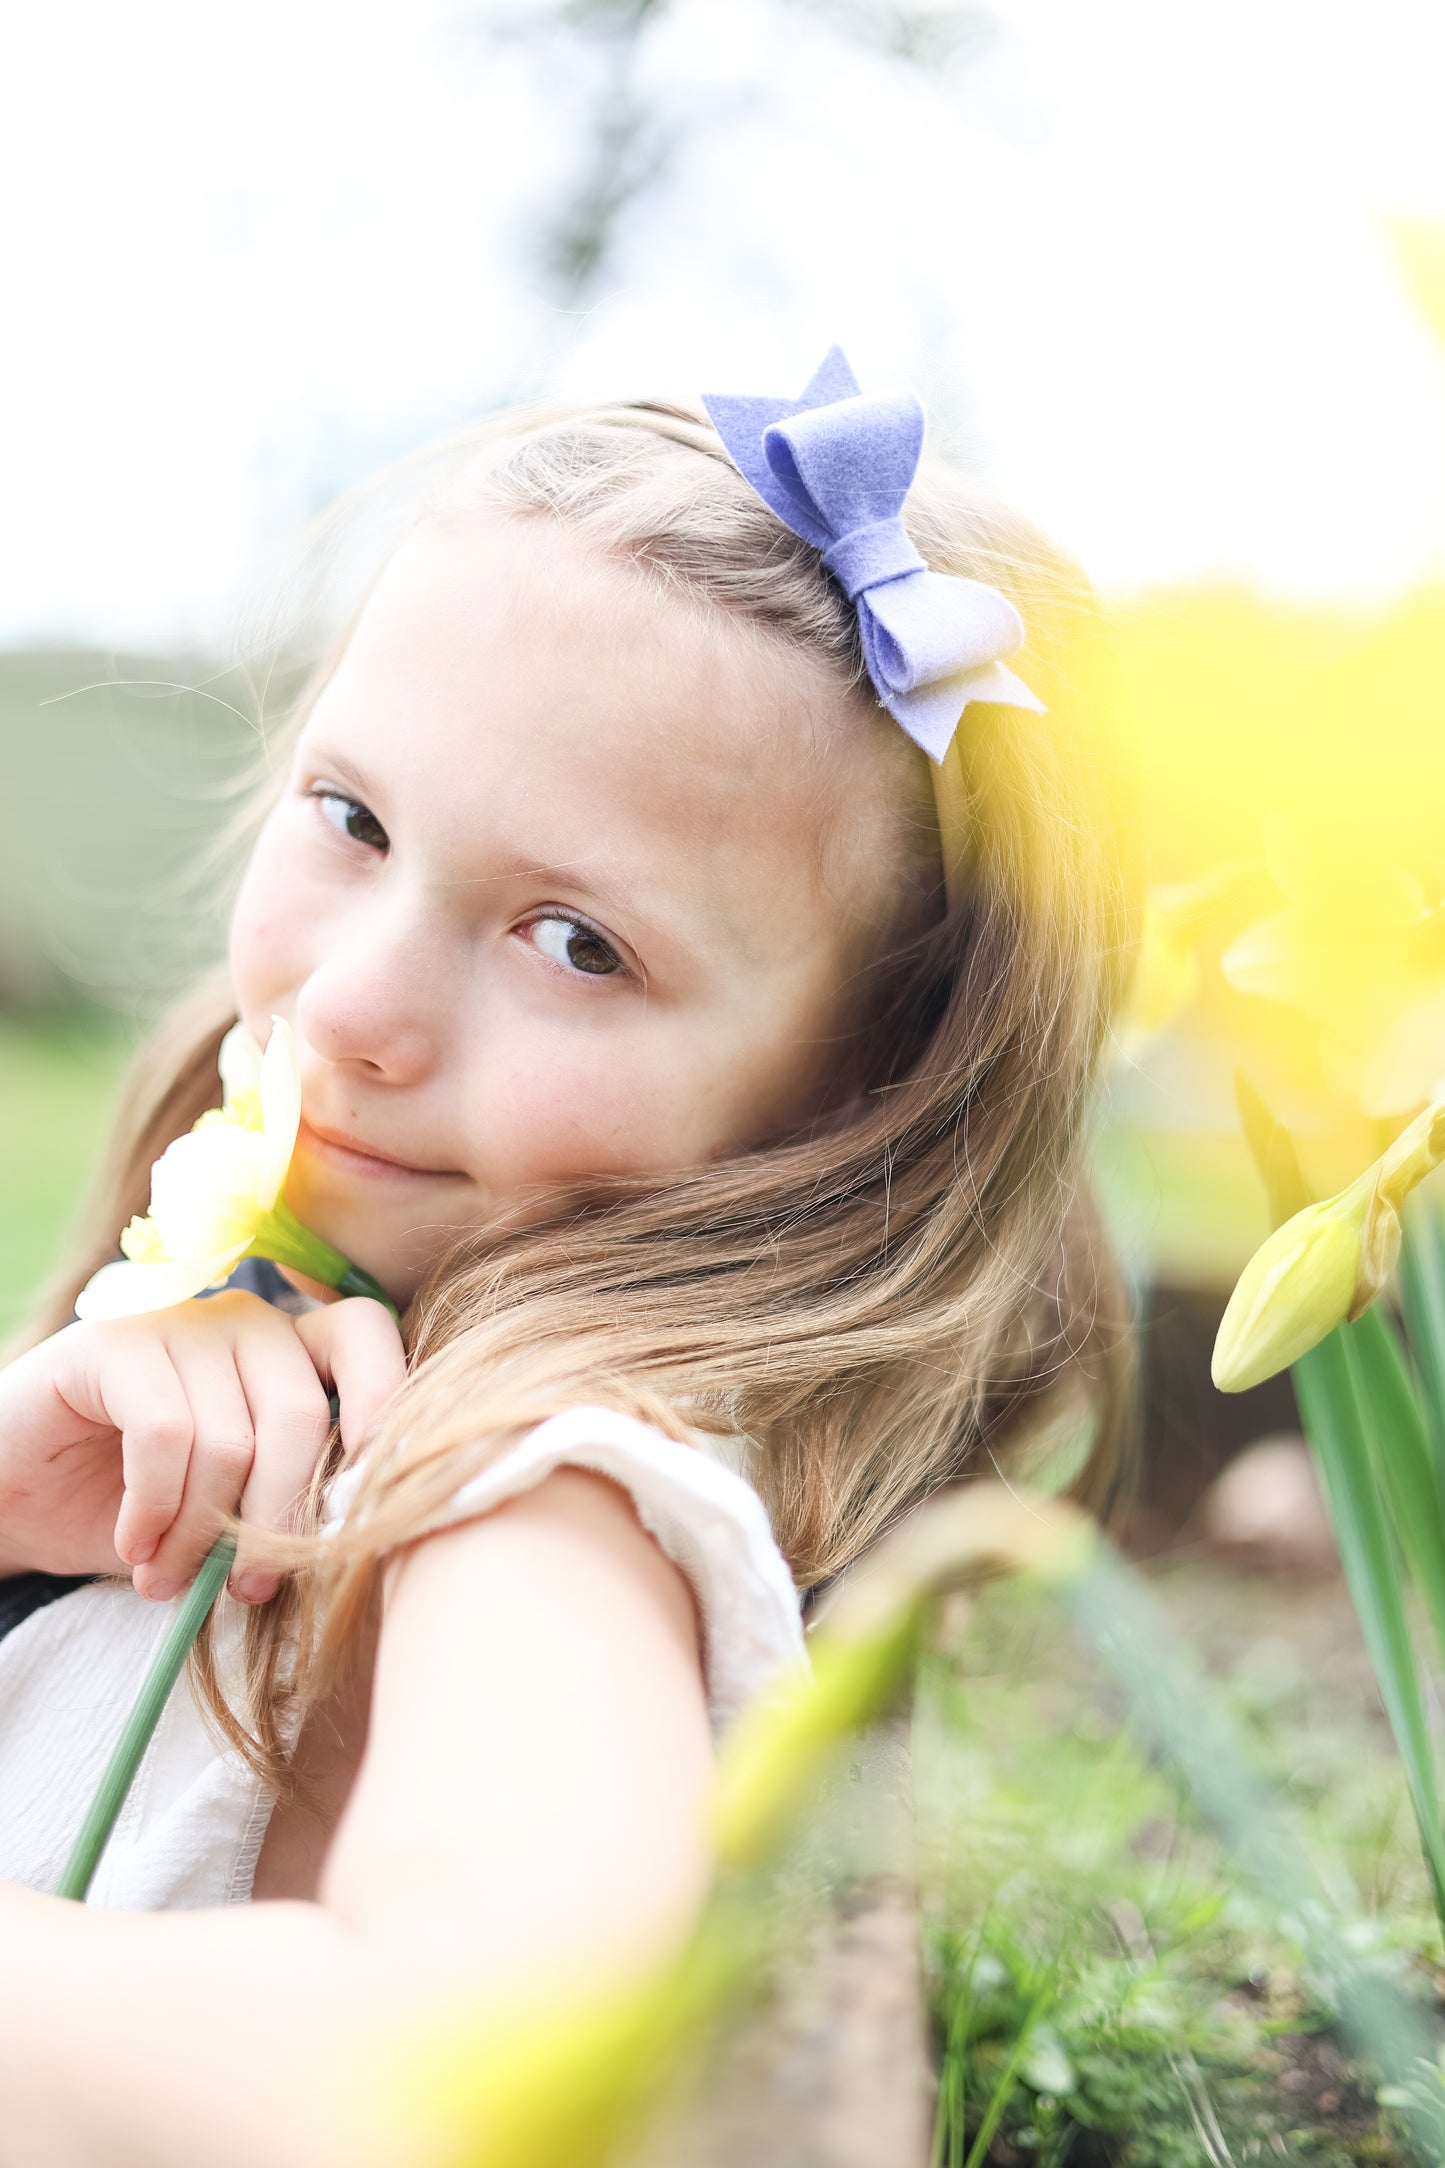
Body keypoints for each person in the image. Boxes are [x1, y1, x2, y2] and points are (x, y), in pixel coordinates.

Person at [0, 350, 1133, 2167]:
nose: (352, 1004)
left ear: (854, 1101)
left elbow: (450, 2075)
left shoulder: (540, 1495)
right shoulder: (305, 1347)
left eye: (574, 942)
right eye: (352, 819)